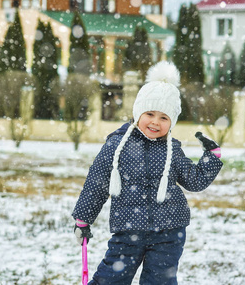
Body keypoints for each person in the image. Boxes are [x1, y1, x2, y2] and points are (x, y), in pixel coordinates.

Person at [72, 61, 223, 285]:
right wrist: (83, 219)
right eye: (149, 113)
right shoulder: (117, 145)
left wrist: (212, 156)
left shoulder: (173, 149)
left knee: (160, 281)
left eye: (164, 117)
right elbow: (97, 182)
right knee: (111, 278)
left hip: (169, 231)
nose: (155, 122)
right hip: (128, 230)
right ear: (137, 112)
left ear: (172, 122)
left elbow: (194, 180)